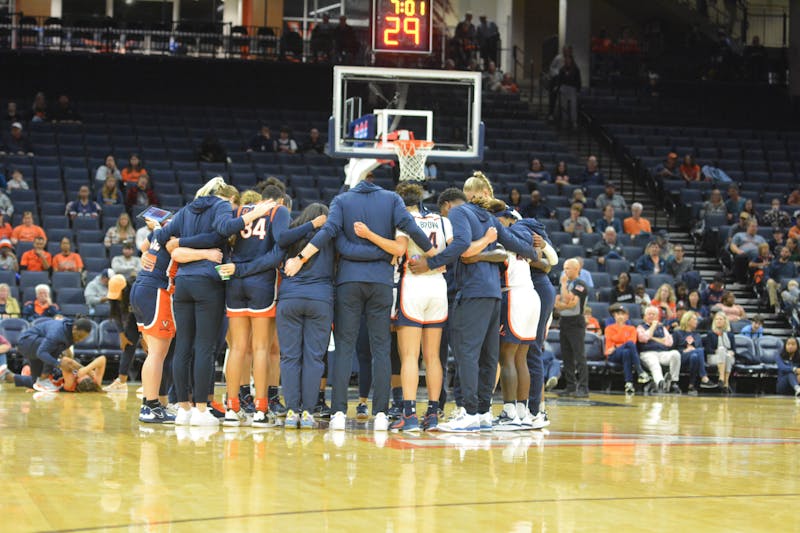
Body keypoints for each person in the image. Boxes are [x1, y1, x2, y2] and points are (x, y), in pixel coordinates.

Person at [285, 170, 436, 432]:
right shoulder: (392, 199)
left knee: (344, 347)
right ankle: (380, 414)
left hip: (348, 282)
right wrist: (434, 256)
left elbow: (328, 233)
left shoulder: (342, 201)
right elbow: (412, 229)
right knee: (380, 348)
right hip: (380, 282)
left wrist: (301, 258)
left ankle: (339, 413)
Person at [153, 177, 275, 427]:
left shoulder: (187, 208)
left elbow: (163, 235)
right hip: (208, 280)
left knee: (183, 345)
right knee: (205, 347)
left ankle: (183, 409)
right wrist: (254, 215)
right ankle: (200, 410)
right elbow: (224, 229)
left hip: (183, 282)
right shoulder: (221, 206)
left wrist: (151, 252)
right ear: (227, 197)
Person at [352, 183, 453, 432]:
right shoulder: (443, 221)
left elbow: (398, 249)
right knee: (432, 356)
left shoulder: (403, 219)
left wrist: (370, 236)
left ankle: (408, 414)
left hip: (414, 285)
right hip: (438, 287)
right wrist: (436, 262)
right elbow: (454, 252)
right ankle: (432, 412)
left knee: (409, 355)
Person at [216, 186, 294, 428]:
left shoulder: (240, 210)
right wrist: (245, 269)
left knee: (238, 348)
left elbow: (225, 245)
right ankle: (261, 409)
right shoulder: (278, 211)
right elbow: (277, 253)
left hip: (234, 284)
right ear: (280, 199)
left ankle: (231, 408)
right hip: (260, 283)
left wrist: (235, 268)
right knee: (261, 348)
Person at [134, 216, 224, 424]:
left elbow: (143, 246)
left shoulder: (161, 228)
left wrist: (146, 256)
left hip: (142, 286)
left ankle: (154, 404)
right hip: (157, 289)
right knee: (157, 354)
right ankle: (150, 405)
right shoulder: (176, 231)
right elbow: (178, 253)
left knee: (154, 353)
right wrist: (207, 254)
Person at [1, 317, 93, 392]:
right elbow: (42, 353)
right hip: (26, 343)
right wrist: (59, 364)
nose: (80, 340)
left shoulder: (71, 331)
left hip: (36, 345)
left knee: (35, 383)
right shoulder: (58, 333)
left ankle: (6, 375)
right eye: (79, 336)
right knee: (54, 349)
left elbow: (63, 355)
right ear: (74, 328)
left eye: (83, 338)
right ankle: (44, 379)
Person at [555, 258, 589, 397]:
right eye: (564, 268)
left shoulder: (580, 284)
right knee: (566, 356)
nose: (565, 271)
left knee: (579, 356)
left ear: (576, 269)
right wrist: (565, 303)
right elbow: (557, 304)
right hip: (564, 321)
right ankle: (570, 387)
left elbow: (570, 302)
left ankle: (583, 388)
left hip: (576, 322)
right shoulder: (567, 284)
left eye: (568, 268)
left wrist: (563, 289)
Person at [102, 275, 138, 393]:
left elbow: (144, 315)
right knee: (128, 346)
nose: (116, 298)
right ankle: (121, 382)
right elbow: (116, 316)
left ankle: (156, 384)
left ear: (125, 289)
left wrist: (144, 336)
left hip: (146, 318)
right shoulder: (114, 299)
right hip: (132, 320)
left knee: (153, 350)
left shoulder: (136, 292)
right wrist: (122, 334)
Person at [605, 304, 650, 394]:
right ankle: (640, 371)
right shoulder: (609, 328)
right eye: (618, 314)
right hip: (613, 354)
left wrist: (616, 345)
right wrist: (621, 328)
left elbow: (632, 342)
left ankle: (628, 383)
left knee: (627, 352)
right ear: (614, 316)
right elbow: (612, 342)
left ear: (627, 317)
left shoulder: (632, 329)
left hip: (622, 351)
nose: (620, 316)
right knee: (628, 345)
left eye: (623, 314)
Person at [637, 305, 681, 393]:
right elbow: (643, 338)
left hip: (662, 353)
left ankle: (673, 381)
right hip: (647, 353)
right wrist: (653, 327)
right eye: (649, 314)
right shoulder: (640, 327)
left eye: (653, 314)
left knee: (675, 354)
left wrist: (652, 338)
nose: (651, 316)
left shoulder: (662, 328)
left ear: (657, 317)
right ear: (645, 317)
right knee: (654, 363)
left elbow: (669, 342)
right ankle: (660, 383)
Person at [673, 311, 717, 394]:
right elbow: (671, 349)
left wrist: (693, 350)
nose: (697, 321)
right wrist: (683, 350)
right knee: (699, 351)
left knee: (695, 356)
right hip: (681, 357)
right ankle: (704, 377)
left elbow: (698, 349)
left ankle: (691, 385)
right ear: (688, 320)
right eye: (694, 319)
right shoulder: (677, 333)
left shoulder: (697, 335)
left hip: (694, 358)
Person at [703, 312, 736, 393]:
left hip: (727, 357)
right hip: (713, 357)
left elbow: (734, 349)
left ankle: (725, 383)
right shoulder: (710, 334)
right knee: (721, 349)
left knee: (727, 355)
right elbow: (707, 349)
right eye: (717, 319)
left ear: (725, 321)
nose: (718, 321)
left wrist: (732, 352)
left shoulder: (730, 335)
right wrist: (716, 351)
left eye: (720, 319)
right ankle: (723, 380)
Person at [766, 246, 798, 313]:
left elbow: (796, 277)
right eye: (782, 251)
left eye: (786, 252)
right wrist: (771, 280)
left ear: (789, 254)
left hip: (789, 284)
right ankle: (775, 305)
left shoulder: (792, 265)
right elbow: (767, 275)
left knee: (793, 284)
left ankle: (795, 305)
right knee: (770, 282)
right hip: (777, 284)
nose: (784, 253)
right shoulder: (774, 263)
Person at [558, 54, 581, 129]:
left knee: (573, 106)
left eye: (569, 59)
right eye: (566, 59)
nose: (567, 61)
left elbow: (578, 80)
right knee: (563, 105)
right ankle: (564, 120)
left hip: (572, 88)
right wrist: (559, 88)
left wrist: (578, 89)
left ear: (571, 60)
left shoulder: (576, 69)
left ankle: (574, 121)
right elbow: (560, 80)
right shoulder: (562, 69)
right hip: (564, 88)